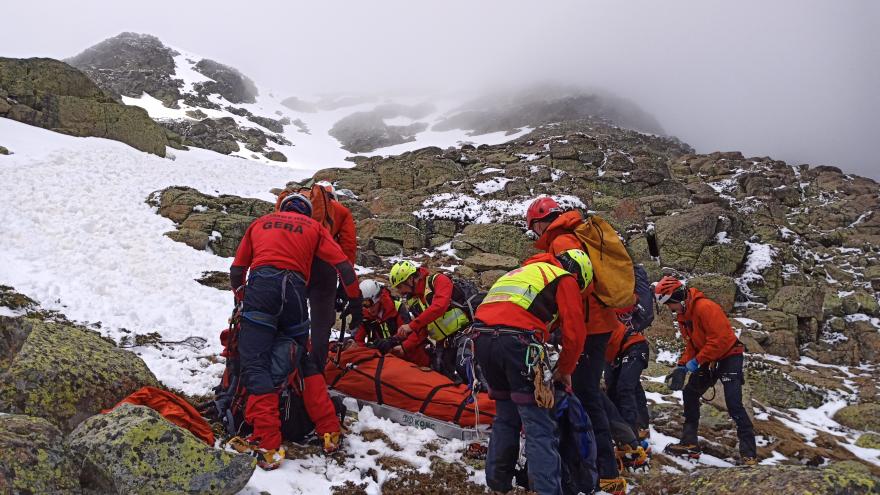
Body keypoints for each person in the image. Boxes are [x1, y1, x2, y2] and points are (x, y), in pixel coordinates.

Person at [228, 193, 363, 468]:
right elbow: (344, 267)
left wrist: (242, 296)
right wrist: (355, 300)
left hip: (262, 289)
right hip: (294, 293)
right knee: (304, 361)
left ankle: (267, 444)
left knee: (255, 365)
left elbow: (237, 270)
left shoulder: (261, 223)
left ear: (283, 207)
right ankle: (329, 429)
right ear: (306, 212)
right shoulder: (314, 228)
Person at [526, 196, 628, 494]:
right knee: (589, 392)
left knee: (586, 395)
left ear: (541, 221)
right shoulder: (572, 236)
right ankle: (613, 454)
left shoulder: (561, 242)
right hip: (598, 325)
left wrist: (561, 326)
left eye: (533, 227)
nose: (534, 234)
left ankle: (606, 471)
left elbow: (575, 287)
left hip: (589, 327)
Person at [472, 249, 592, 495]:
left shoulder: (523, 272)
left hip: (481, 339)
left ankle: (497, 483)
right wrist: (565, 370)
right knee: (539, 426)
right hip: (518, 343)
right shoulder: (563, 278)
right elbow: (575, 334)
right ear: (578, 274)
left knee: (506, 416)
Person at [654, 276, 757, 466]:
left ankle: (749, 455)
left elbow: (721, 340)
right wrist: (682, 365)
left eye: (670, 304)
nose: (670, 309)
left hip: (729, 356)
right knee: (690, 393)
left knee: (734, 404)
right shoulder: (684, 316)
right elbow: (692, 344)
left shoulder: (705, 307)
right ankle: (689, 444)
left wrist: (697, 361)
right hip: (710, 359)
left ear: (678, 297)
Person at [389, 261, 473, 380]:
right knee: (441, 374)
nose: (399, 292)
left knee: (465, 365)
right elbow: (422, 329)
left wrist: (411, 325)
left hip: (465, 331)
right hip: (444, 342)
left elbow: (439, 307)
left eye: (399, 286)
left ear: (410, 279)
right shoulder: (413, 300)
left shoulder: (438, 280)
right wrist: (404, 347)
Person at [352, 279, 419, 362]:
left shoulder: (396, 308)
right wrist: (369, 347)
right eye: (364, 305)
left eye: (369, 303)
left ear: (377, 298)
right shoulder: (364, 316)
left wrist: (391, 341)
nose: (369, 309)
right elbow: (357, 340)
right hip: (379, 359)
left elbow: (408, 333)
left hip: (401, 353)